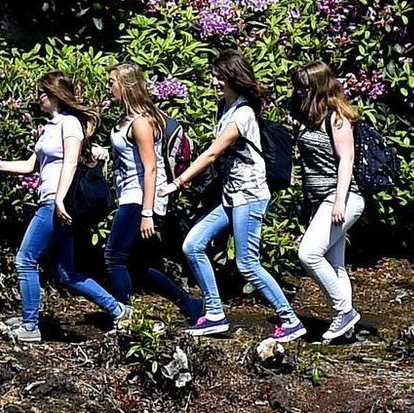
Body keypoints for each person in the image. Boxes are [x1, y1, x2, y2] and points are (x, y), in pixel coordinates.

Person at [163, 50, 299, 339]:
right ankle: (214, 313)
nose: (214, 81)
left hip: (249, 195)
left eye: (219, 76)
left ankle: (290, 321)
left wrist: (178, 183)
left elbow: (213, 153)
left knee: (247, 263)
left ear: (233, 78)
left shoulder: (243, 113)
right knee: (193, 245)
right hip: (231, 196)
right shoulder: (225, 108)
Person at [0, 71, 123, 341]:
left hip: (56, 204)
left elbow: (71, 161)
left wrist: (59, 199)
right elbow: (30, 166)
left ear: (55, 95)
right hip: (53, 202)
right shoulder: (50, 127)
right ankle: (117, 311)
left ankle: (30, 326)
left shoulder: (70, 124)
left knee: (25, 260)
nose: (38, 99)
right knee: (65, 273)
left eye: (42, 94)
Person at [101, 65, 202, 321]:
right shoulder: (125, 119)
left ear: (127, 86)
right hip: (128, 195)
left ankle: (123, 315)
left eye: (112, 82)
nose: (108, 87)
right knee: (136, 265)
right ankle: (189, 304)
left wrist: (147, 212)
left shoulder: (142, 123)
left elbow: (151, 168)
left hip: (139, 197)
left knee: (114, 257)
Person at [286, 62, 366, 342]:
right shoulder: (310, 117)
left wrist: (339, 202)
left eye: (304, 87)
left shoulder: (337, 118)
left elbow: (347, 160)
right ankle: (346, 326)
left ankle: (344, 312)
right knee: (336, 266)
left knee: (307, 253)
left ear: (318, 87)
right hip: (321, 199)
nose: (298, 92)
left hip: (342, 198)